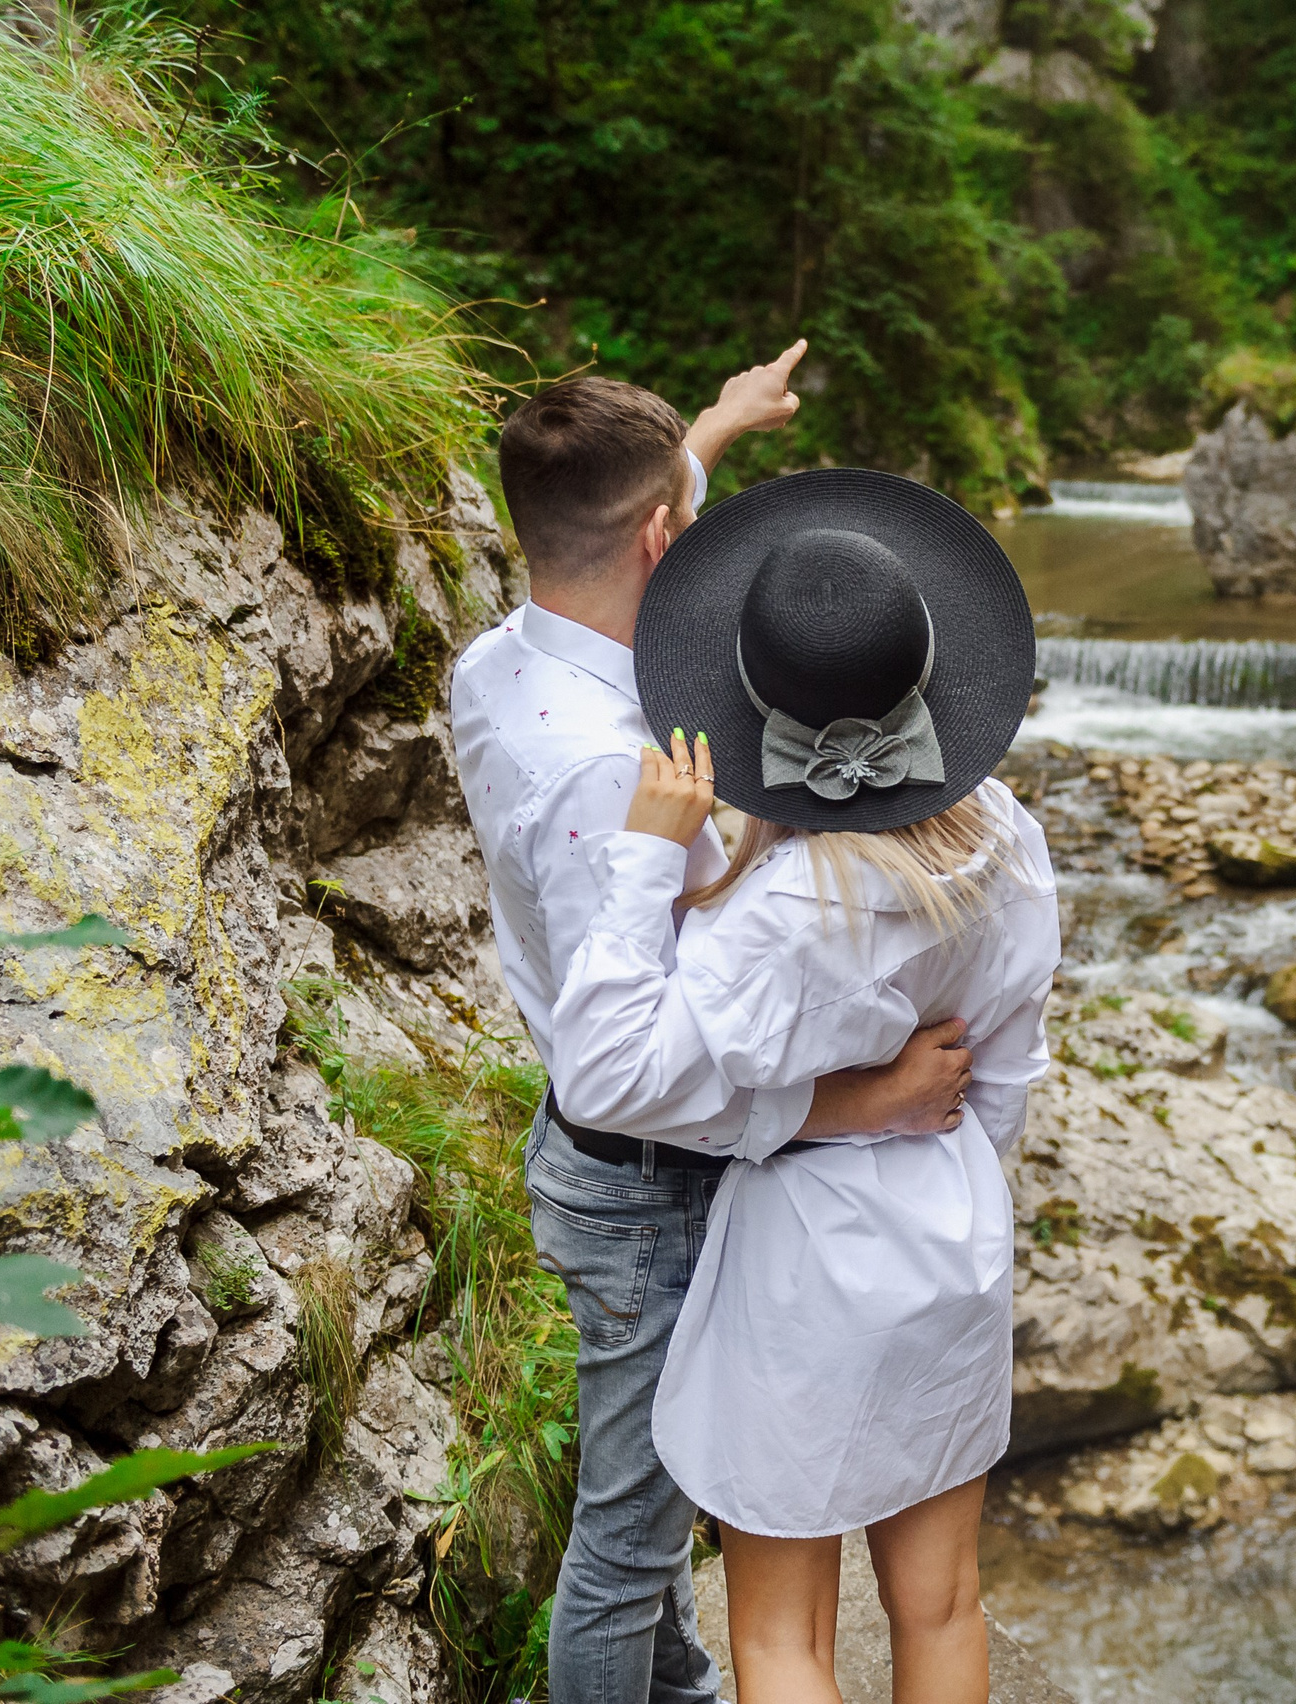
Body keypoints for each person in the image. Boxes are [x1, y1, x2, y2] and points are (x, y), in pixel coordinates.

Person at [451, 354, 973, 1704]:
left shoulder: (496, 663)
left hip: (613, 1171)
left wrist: (719, 429)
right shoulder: (608, 772)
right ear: (658, 541)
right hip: (645, 1178)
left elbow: (630, 514)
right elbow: (622, 1071)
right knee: (632, 1538)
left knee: (667, 1508)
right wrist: (849, 1108)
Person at [548, 467, 1056, 1704]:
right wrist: (952, 1194)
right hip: (948, 1227)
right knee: (940, 1606)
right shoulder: (1004, 838)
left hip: (803, 1262)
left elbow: (607, 1075)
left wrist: (644, 855)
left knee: (783, 1643)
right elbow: (1006, 1066)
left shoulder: (784, 912)